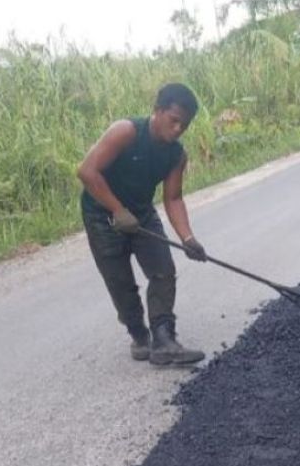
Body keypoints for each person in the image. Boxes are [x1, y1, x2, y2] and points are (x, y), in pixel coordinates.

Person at [77, 83, 207, 366]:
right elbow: (87, 171)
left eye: (183, 126)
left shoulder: (176, 155)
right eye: (173, 121)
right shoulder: (126, 132)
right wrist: (117, 210)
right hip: (102, 215)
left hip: (142, 213)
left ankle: (163, 339)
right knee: (120, 281)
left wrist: (187, 239)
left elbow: (173, 198)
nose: (177, 130)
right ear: (158, 111)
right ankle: (139, 334)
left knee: (163, 271)